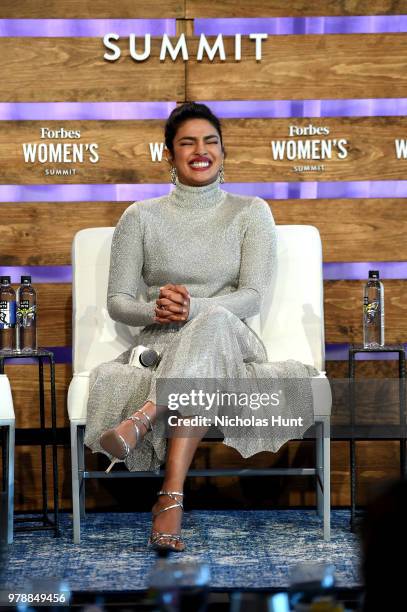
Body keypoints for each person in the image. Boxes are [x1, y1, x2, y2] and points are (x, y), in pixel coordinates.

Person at [84, 102, 319, 552]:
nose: (200, 151)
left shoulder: (251, 212)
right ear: (169, 155)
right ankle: (170, 501)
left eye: (210, 141)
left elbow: (251, 295)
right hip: (164, 341)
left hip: (232, 336)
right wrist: (158, 311)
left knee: (212, 319)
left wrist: (194, 307)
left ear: (223, 152)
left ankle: (142, 420)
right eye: (187, 143)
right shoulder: (140, 217)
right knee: (200, 352)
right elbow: (118, 303)